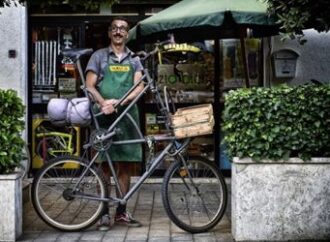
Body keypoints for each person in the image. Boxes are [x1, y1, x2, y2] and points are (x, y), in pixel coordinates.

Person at [85, 16, 144, 230]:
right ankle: (103, 214)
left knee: (126, 165)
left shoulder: (134, 60)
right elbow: (90, 86)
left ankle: (121, 211)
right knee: (104, 166)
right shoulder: (99, 57)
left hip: (127, 117)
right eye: (115, 28)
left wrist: (119, 102)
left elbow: (138, 87)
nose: (119, 32)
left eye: (123, 29)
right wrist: (103, 103)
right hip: (104, 118)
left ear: (127, 34)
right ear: (110, 33)